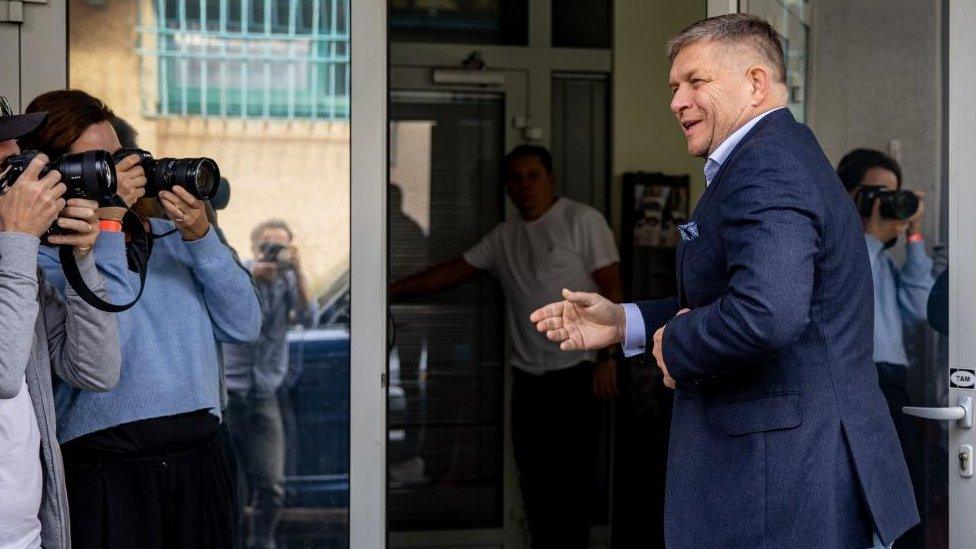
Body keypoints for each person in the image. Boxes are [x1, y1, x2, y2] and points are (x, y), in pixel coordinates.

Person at [530, 15, 918, 548]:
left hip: (781, 477)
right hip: (789, 470)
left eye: (695, 82)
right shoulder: (776, 155)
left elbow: (768, 313)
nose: (677, 102)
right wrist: (625, 322)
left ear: (755, 84)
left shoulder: (768, 165)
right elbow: (750, 301)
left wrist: (677, 343)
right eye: (674, 87)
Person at [22, 89, 262, 549]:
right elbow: (106, 354)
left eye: (121, 158)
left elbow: (245, 324)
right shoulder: (44, 260)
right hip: (108, 472)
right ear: (62, 174)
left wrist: (202, 237)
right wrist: (107, 227)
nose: (123, 175)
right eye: (103, 163)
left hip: (201, 460)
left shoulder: (172, 236)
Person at [391, 144, 622, 549]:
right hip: (530, 379)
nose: (524, 185)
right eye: (516, 178)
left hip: (577, 373)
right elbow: (451, 272)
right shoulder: (505, 236)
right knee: (534, 480)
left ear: (550, 178)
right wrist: (386, 290)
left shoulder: (581, 220)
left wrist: (608, 360)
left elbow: (614, 291)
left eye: (533, 176)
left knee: (572, 484)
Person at [0, 97, 121, 548]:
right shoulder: (13, 259)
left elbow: (95, 370)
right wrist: (17, 239)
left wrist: (81, 260)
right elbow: (3, 374)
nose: (17, 158)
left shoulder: (14, 265)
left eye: (16, 148)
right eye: (3, 153)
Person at [837, 148, 935, 548]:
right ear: (847, 194)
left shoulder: (884, 261)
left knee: (907, 503)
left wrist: (912, 233)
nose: (885, 203)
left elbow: (921, 308)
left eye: (892, 194)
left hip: (893, 386)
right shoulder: (842, 253)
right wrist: (872, 238)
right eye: (875, 193)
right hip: (860, 385)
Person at [223, 219, 313, 549]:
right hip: (230, 394)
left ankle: (263, 542)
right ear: (254, 247)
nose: (273, 254)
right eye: (268, 247)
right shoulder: (238, 274)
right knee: (232, 485)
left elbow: (309, 318)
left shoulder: (290, 281)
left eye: (280, 247)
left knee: (272, 483)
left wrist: (299, 271)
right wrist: (253, 280)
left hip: (265, 395)